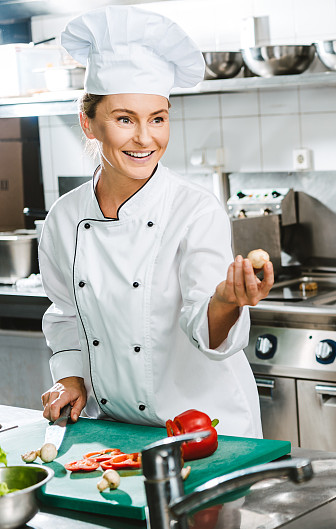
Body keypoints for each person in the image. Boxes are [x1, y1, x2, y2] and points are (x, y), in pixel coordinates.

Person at [38, 6, 272, 439]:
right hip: (115, 431)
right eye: (125, 119)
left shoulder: (194, 211)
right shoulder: (64, 218)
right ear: (89, 124)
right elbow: (67, 315)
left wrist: (226, 301)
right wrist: (70, 377)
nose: (145, 138)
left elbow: (206, 330)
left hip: (206, 430)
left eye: (158, 119)